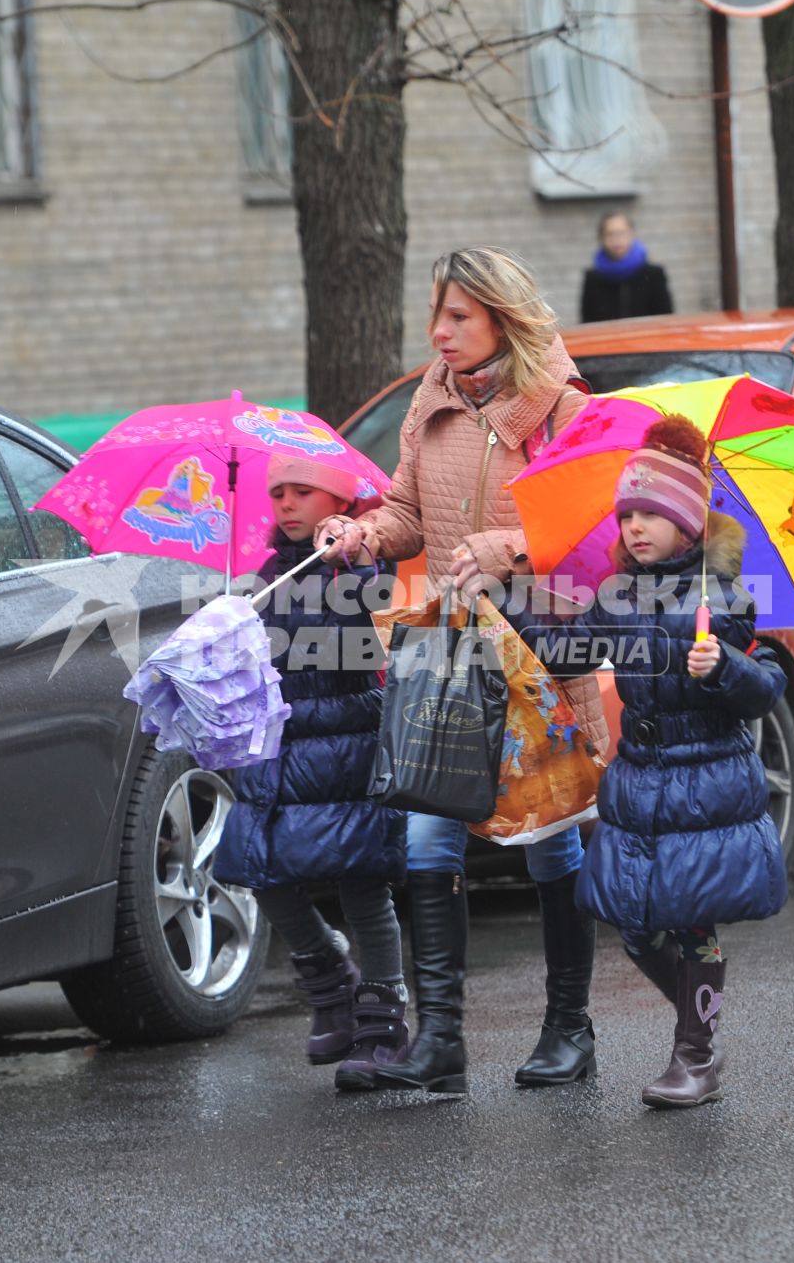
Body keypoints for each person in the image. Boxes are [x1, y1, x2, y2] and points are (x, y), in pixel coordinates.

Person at [318, 246, 606, 1093]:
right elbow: (409, 509)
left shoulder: (564, 405)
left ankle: (570, 1028)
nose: (438, 331)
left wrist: (509, 548)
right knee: (427, 832)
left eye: (457, 317)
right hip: (450, 655)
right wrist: (365, 532)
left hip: (537, 654)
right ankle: (440, 1040)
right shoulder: (432, 397)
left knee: (550, 847)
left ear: (501, 320)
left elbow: (594, 526)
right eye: (436, 314)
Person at [500, 415, 788, 1108]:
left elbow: (768, 682)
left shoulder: (724, 596)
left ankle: (696, 1054)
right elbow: (567, 651)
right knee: (634, 925)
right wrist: (506, 593)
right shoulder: (617, 595)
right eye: (626, 513)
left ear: (688, 523)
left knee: (694, 924)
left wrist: (722, 668)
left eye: (650, 514)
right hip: (639, 784)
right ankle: (701, 1022)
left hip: (706, 785)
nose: (632, 527)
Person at [214, 458, 409, 1091]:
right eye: (278, 493)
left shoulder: (360, 566)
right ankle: (329, 978)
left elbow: (369, 642)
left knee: (363, 883)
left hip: (347, 743)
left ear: (341, 501)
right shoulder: (267, 574)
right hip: (277, 749)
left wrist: (350, 567)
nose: (288, 504)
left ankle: (382, 1019)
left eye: (304, 491)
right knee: (256, 866)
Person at [580, 211, 674, 324]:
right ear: (601, 238)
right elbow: (588, 322)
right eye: (609, 234)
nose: (616, 239)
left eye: (621, 233)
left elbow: (666, 318)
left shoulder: (653, 274)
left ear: (631, 234)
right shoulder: (593, 278)